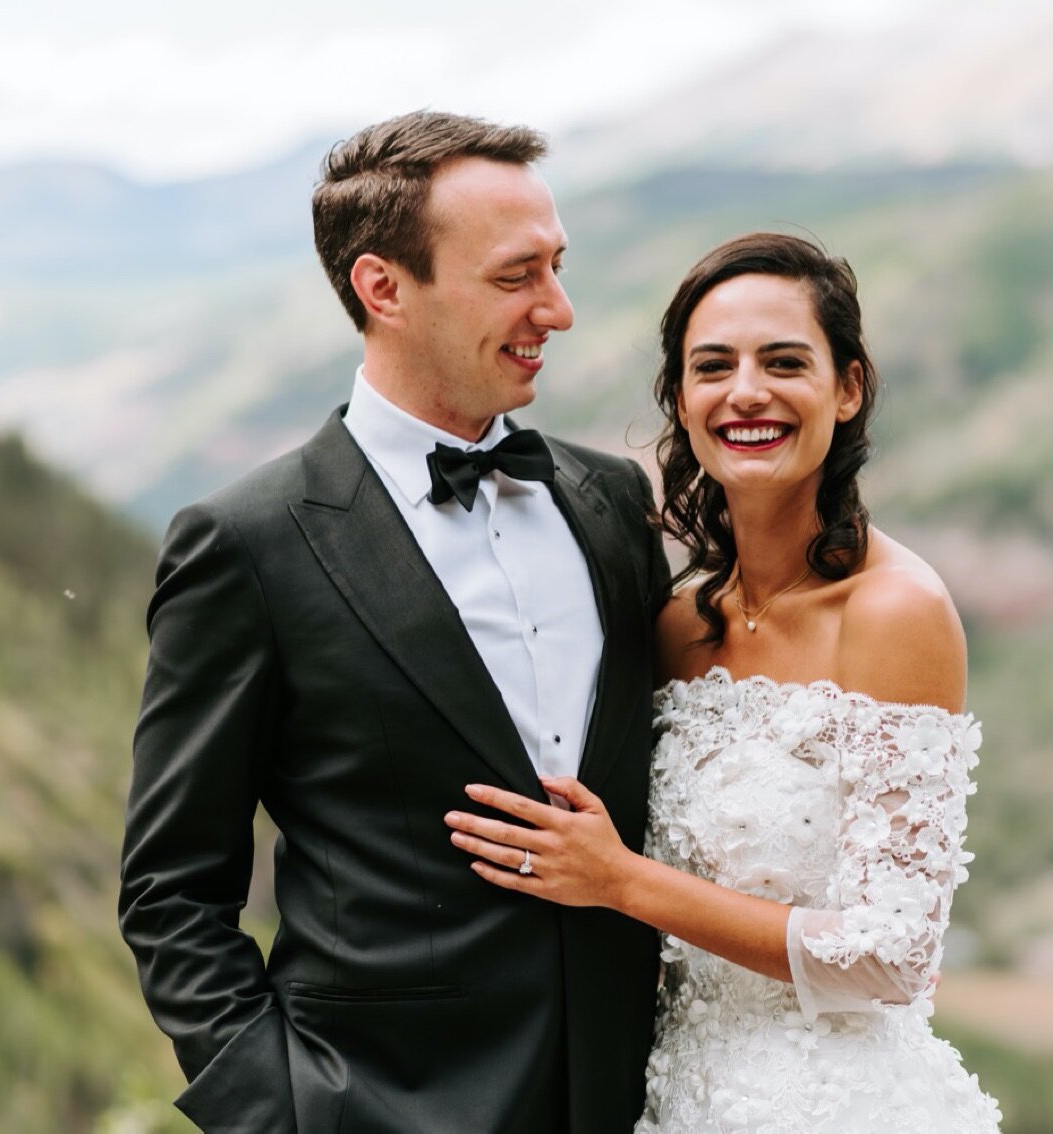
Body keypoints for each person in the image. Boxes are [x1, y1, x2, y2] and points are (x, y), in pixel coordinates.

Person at [118, 111, 669, 1133]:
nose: (559, 309)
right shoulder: (246, 544)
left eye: (556, 268)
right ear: (382, 289)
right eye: (516, 277)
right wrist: (281, 1111)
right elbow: (171, 889)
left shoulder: (611, 508)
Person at [446, 233, 1003, 1131]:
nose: (747, 392)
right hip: (671, 1093)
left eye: (784, 362)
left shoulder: (896, 612)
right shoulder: (676, 623)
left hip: (837, 1104)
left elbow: (895, 955)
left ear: (848, 387)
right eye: (714, 367)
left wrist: (623, 881)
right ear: (682, 398)